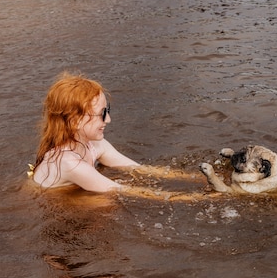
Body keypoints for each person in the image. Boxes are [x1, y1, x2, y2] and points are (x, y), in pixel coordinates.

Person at [29, 72, 207, 199]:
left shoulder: (94, 144)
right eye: (101, 114)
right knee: (104, 202)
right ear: (75, 121)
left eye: (108, 111)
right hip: (52, 199)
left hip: (71, 190)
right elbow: (124, 191)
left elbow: (139, 169)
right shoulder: (69, 163)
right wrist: (207, 198)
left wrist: (200, 177)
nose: (108, 119)